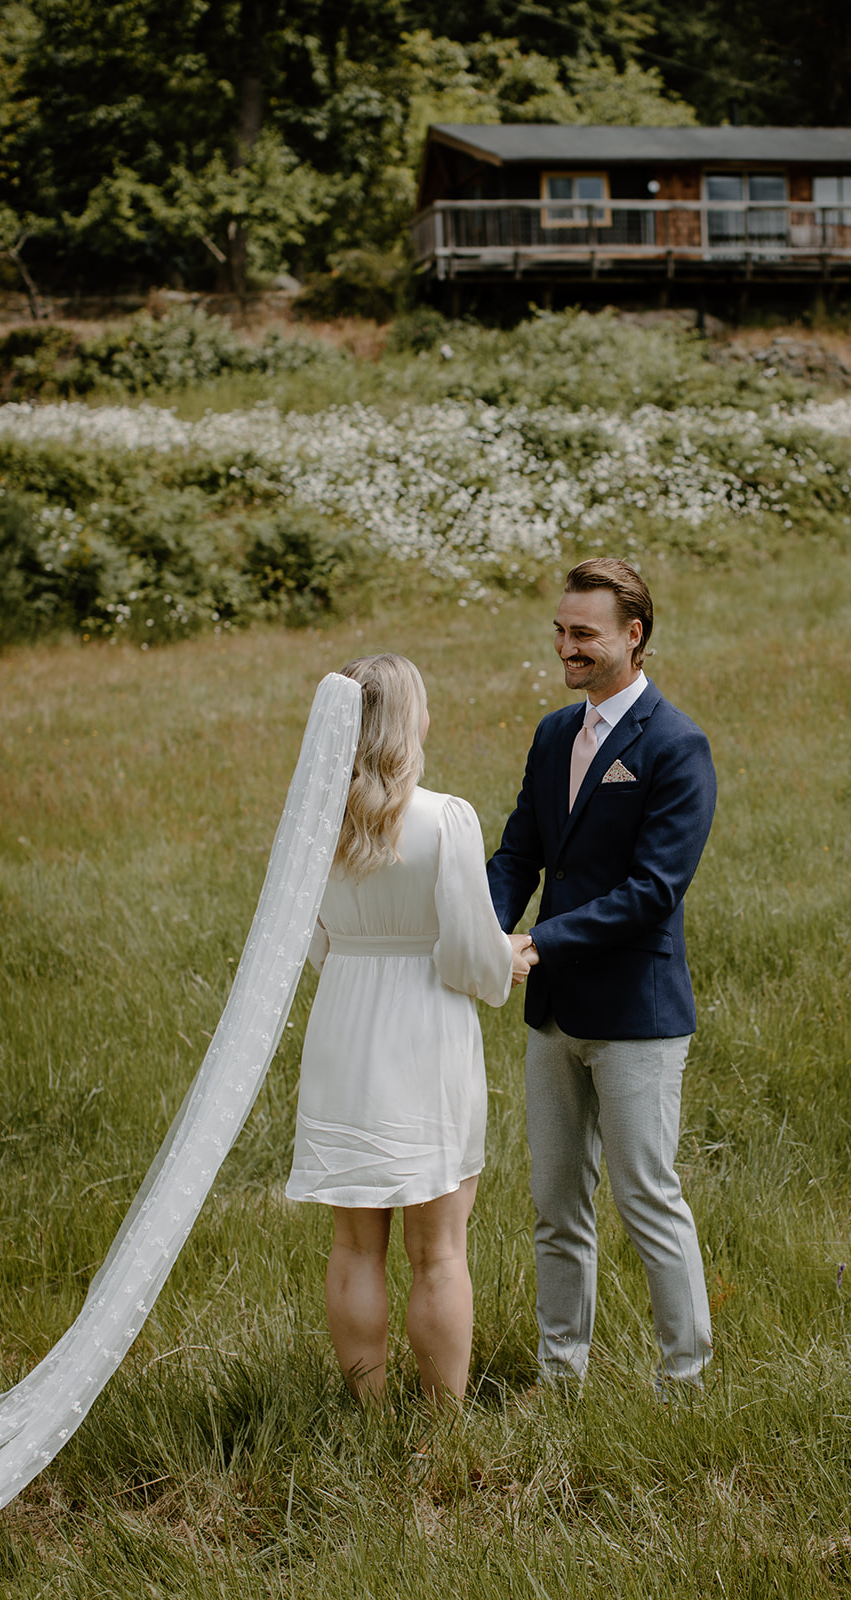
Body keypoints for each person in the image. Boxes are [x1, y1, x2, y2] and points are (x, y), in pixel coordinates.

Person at [487, 558, 717, 1391]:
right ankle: (561, 1377)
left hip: (634, 1017)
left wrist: (537, 943)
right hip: (552, 1015)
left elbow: (653, 891)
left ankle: (684, 1382)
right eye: (559, 630)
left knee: (646, 1199)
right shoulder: (554, 734)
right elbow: (519, 852)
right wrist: (483, 931)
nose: (565, 647)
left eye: (582, 633)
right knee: (555, 1205)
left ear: (633, 634)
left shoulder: (675, 745)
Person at [286, 654, 530, 1408]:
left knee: (354, 1245)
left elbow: (312, 943)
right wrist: (509, 957)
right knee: (439, 1251)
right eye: (422, 705)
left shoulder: (312, 821)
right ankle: (442, 1427)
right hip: (426, 1034)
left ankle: (366, 1413)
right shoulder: (444, 817)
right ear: (404, 722)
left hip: (342, 1032)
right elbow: (467, 953)